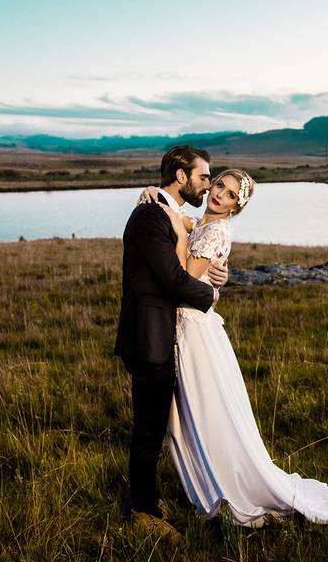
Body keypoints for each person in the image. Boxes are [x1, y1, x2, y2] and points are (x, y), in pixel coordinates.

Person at [140, 169, 328, 528]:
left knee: (207, 409)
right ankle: (203, 479)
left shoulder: (216, 231)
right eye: (218, 185)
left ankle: (226, 481)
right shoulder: (203, 225)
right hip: (184, 326)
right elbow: (178, 215)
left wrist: (178, 233)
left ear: (235, 208)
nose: (219, 194)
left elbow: (184, 279)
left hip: (194, 333)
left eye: (228, 194)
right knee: (189, 411)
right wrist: (156, 194)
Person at [114, 145, 230, 542]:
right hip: (147, 337)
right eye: (203, 177)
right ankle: (143, 512)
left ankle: (148, 500)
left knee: (154, 425)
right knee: (148, 429)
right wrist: (209, 297)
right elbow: (170, 278)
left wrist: (216, 274)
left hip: (160, 334)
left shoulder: (165, 209)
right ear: (181, 177)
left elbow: (191, 249)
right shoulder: (149, 214)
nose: (207, 185)